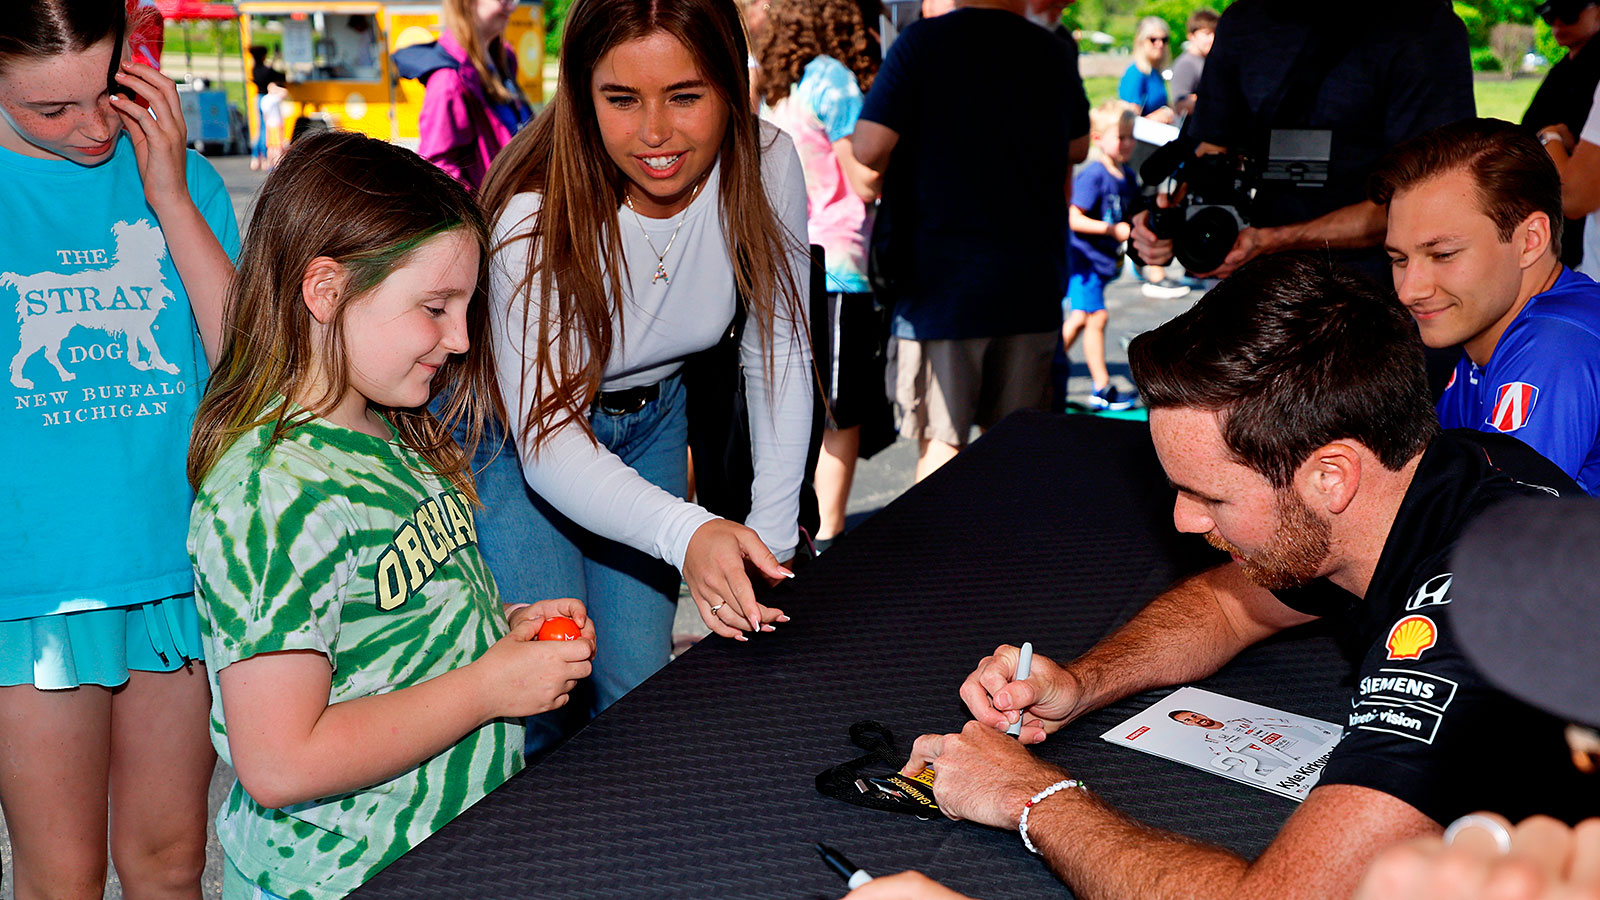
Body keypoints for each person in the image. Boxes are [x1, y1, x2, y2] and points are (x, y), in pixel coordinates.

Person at [892, 253, 1598, 900]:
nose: (1182, 520)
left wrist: (1030, 799)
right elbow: (1231, 608)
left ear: (1331, 476)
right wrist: (1081, 685)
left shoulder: (1474, 620)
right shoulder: (1443, 473)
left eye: (1210, 497)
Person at [186, 131, 596, 899]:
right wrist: (488, 688)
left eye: (467, 307)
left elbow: (379, 617)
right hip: (339, 878)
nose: (460, 338)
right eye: (435, 307)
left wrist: (501, 629)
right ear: (325, 290)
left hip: (442, 851)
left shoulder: (393, 426)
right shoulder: (272, 494)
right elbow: (279, 761)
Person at [474, 0, 812, 751]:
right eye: (622, 99)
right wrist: (689, 530)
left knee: (637, 693)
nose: (655, 133)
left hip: (656, 417)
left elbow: (781, 349)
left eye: (685, 95)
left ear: (731, 84)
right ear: (581, 93)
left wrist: (772, 539)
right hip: (518, 443)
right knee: (542, 698)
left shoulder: (768, 162)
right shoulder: (533, 213)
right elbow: (549, 442)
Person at [0, 2, 238, 897]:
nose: (94, 127)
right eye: (49, 109)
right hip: (29, 596)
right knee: (60, 878)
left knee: (170, 866)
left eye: (106, 91)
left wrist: (170, 195)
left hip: (171, 576)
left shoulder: (181, 177)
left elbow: (249, 368)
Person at [852, 0, 1086, 482]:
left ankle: (944, 539)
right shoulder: (1050, 51)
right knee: (1016, 449)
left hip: (941, 282)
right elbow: (1078, 147)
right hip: (1030, 279)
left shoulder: (923, 42)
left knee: (944, 445)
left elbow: (869, 148)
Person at [1131, 1, 1474, 284]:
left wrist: (1271, 241)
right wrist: (1168, 222)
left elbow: (1427, 198)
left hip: (1379, 294)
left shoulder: (1423, 28)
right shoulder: (1244, 23)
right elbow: (1210, 152)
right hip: (1259, 287)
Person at [1372, 118, 1600, 496]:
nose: (1409, 291)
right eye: (1399, 259)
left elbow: (1502, 525)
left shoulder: (1557, 345)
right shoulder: (1488, 338)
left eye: (1443, 255)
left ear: (1530, 240)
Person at [756, 0, 887, 548]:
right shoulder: (831, 79)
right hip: (837, 262)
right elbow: (863, 179)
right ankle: (829, 533)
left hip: (780, 257)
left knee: (789, 401)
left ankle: (793, 528)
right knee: (839, 409)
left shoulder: (773, 83)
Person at [393, 0, 532, 190]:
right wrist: (482, 206)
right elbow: (438, 168)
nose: (512, 6)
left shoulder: (504, 60)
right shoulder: (448, 80)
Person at [1064, 100, 1139, 411]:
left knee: (1080, 318)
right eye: (1120, 137)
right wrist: (1111, 230)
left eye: (1131, 136)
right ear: (1097, 139)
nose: (1127, 143)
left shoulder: (1127, 176)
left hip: (1101, 262)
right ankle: (1101, 387)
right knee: (1097, 317)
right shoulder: (1094, 175)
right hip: (1083, 262)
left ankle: (1045, 364)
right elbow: (1073, 218)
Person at [1523, 0, 1600, 270]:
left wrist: (1550, 137)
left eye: (1568, 13)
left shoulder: (1591, 66)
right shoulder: (1565, 68)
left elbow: (1575, 198)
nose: (1557, 22)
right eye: (1549, 15)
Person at [1119, 17, 1173, 124]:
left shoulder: (1155, 72)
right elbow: (1129, 120)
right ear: (1141, 41)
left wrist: (1167, 111)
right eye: (1153, 40)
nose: (1160, 44)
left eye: (1164, 40)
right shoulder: (1136, 73)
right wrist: (1155, 117)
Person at [1167, 8, 1217, 119]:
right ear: (1191, 36)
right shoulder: (1186, 64)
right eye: (1207, 34)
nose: (1212, 38)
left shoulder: (1209, 61)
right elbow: (1181, 105)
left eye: (1215, 33)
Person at [248, 44, 285, 171]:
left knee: (259, 129)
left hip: (258, 98)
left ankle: (255, 156)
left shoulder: (254, 69)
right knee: (266, 130)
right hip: (267, 98)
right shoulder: (266, 71)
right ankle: (265, 156)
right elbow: (277, 74)